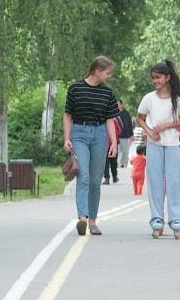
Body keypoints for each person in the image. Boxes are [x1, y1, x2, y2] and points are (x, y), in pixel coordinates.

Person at [136, 60, 180, 239]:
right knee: (155, 182)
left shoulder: (177, 99)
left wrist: (166, 126)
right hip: (154, 146)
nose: (155, 81)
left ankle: (176, 220)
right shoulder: (149, 98)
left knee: (175, 182)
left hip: (172, 145)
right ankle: (157, 219)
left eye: (159, 77)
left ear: (167, 78)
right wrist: (149, 132)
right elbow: (139, 118)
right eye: (153, 78)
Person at [63, 56, 119, 236]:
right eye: (108, 73)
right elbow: (67, 115)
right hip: (79, 132)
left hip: (100, 134)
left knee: (95, 181)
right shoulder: (75, 88)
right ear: (97, 71)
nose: (109, 76)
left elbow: (110, 119)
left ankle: (93, 221)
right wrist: (67, 139)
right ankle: (83, 218)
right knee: (83, 176)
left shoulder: (108, 93)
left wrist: (114, 143)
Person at [103, 116, 121, 185]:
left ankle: (107, 178)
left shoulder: (102, 120)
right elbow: (119, 131)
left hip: (104, 143)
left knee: (105, 162)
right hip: (113, 143)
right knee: (114, 161)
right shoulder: (114, 120)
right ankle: (114, 176)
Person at [117, 99, 134, 168]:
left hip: (125, 136)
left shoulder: (126, 114)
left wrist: (131, 135)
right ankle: (117, 164)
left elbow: (130, 125)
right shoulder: (114, 114)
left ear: (121, 104)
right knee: (117, 151)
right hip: (116, 136)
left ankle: (122, 164)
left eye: (118, 104)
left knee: (125, 151)